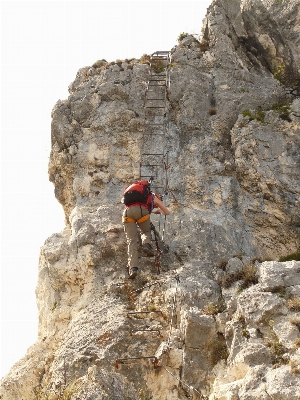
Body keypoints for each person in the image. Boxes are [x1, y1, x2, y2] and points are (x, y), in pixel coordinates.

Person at [122, 184, 170, 279]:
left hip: (127, 212)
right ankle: (146, 245)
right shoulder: (153, 197)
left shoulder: (135, 198)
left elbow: (134, 208)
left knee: (131, 241)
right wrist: (160, 210)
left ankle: (133, 269)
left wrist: (153, 211)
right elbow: (167, 212)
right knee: (145, 231)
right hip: (141, 211)